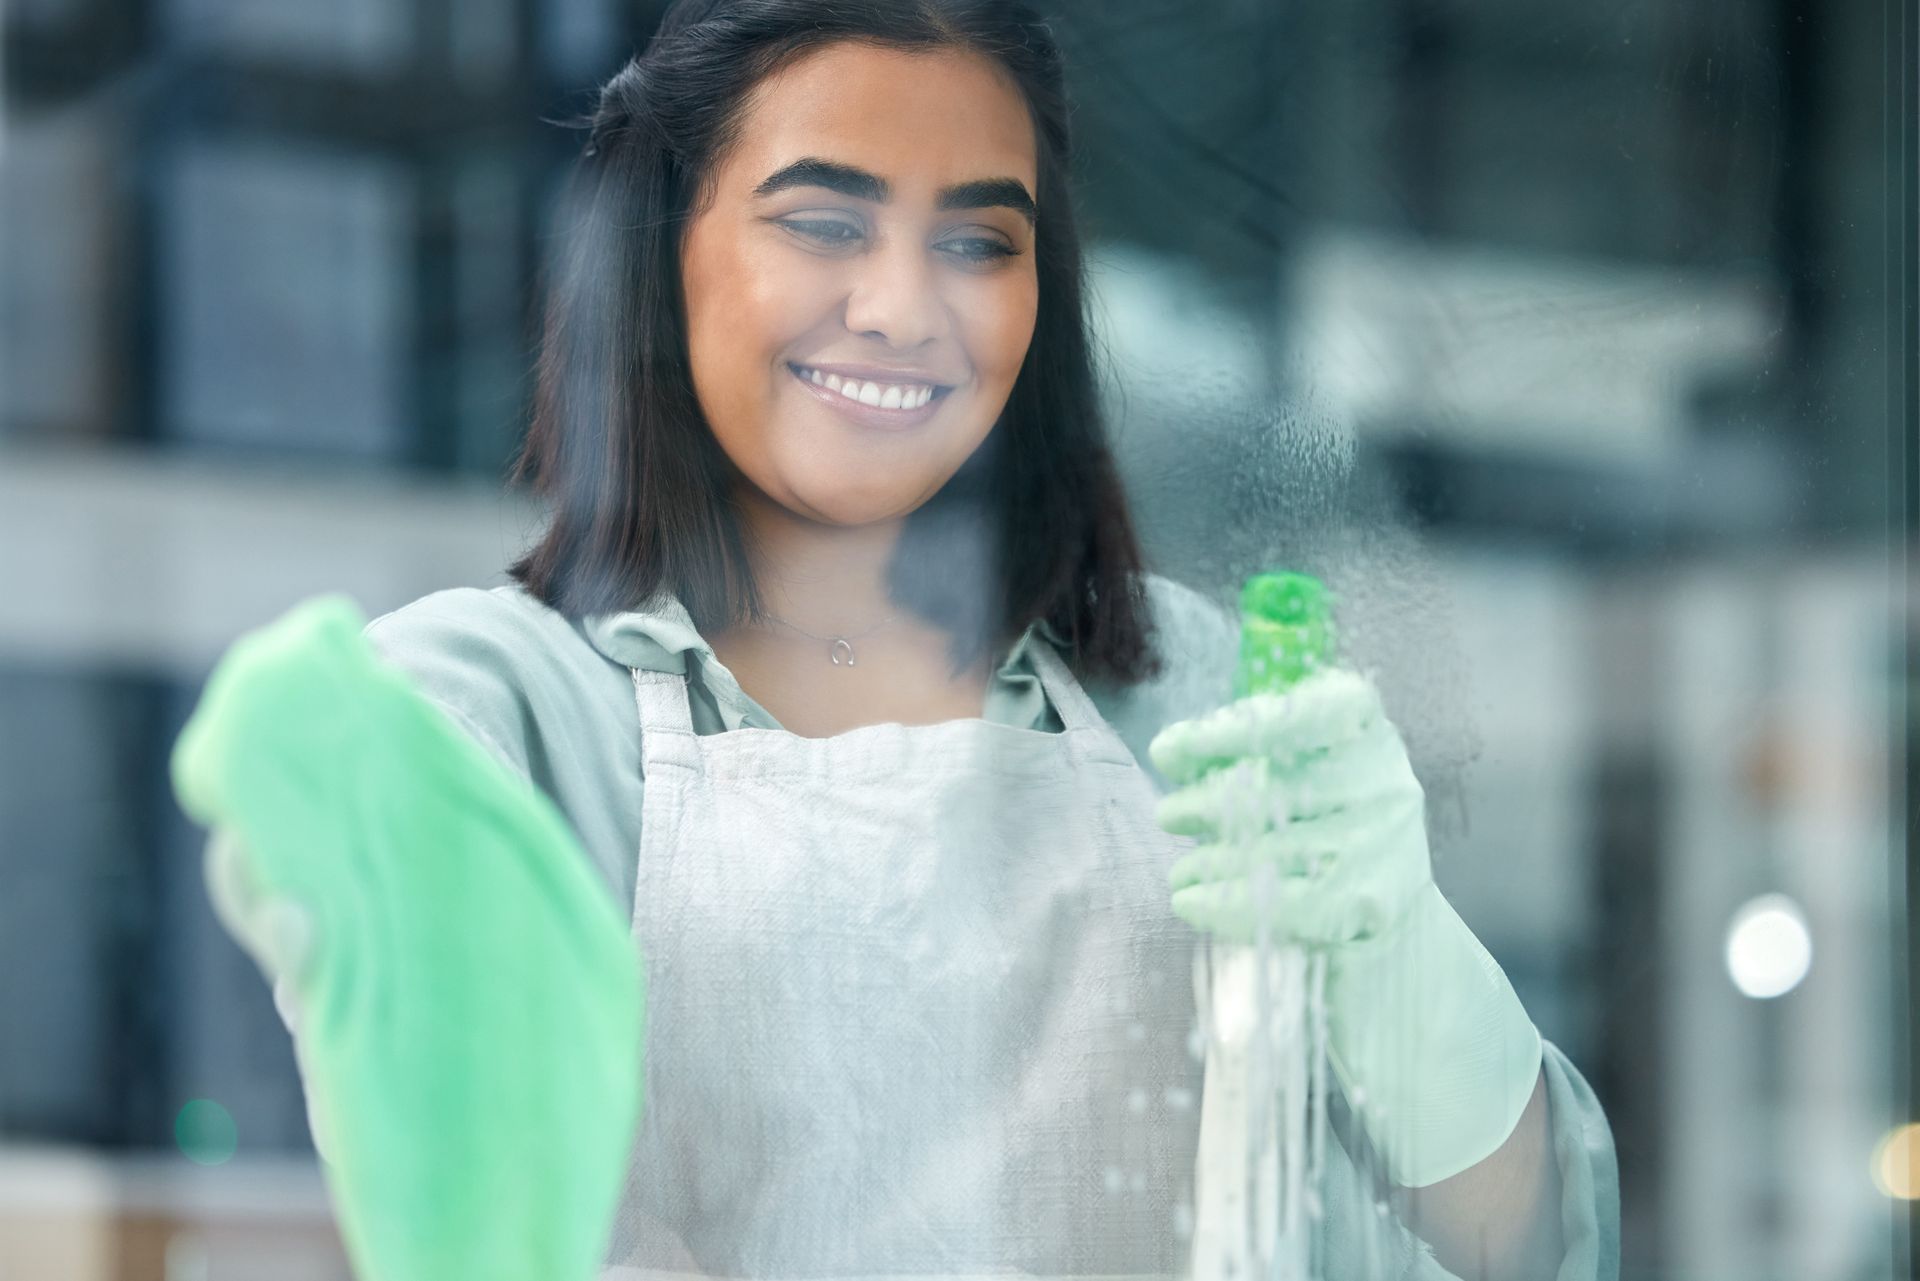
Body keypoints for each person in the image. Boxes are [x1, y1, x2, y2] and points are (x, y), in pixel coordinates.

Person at [204, 1, 1620, 1278]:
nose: (901, 307)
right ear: (660, 241)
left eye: (977, 241)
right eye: (823, 220)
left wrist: (1403, 963)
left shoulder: (1185, 694)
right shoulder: (482, 718)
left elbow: (1536, 1249)